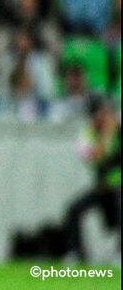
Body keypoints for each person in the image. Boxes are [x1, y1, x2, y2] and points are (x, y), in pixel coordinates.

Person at [62, 97, 121, 263]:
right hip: (103, 187)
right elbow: (95, 157)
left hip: (118, 188)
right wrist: (107, 135)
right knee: (73, 210)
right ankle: (77, 252)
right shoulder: (87, 134)